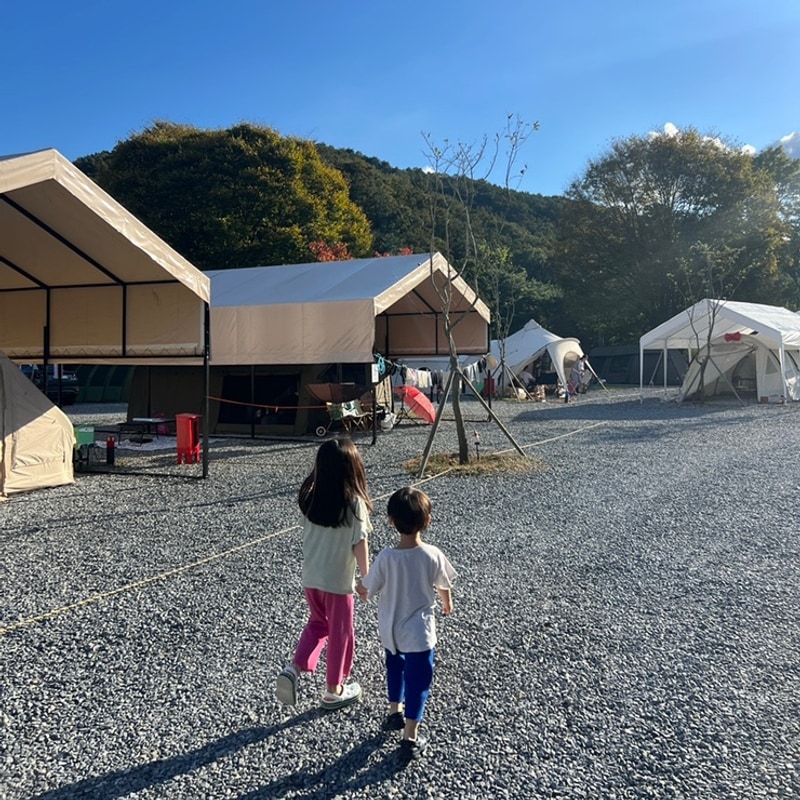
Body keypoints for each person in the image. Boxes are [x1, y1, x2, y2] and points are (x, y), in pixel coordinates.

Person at [276, 438, 373, 711]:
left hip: (312, 579)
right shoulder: (354, 504)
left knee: (318, 625)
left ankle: (294, 669)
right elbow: (360, 543)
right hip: (339, 584)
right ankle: (334, 689)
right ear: (352, 469)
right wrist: (366, 579)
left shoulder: (311, 499)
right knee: (341, 632)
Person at [359, 487, 456, 758]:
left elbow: (368, 587)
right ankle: (410, 737)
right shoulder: (433, 554)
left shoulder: (386, 558)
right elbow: (443, 584)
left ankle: (394, 711)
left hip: (391, 631)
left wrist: (358, 587)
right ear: (428, 521)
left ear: (391, 520)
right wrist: (447, 602)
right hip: (420, 635)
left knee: (394, 668)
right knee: (418, 681)